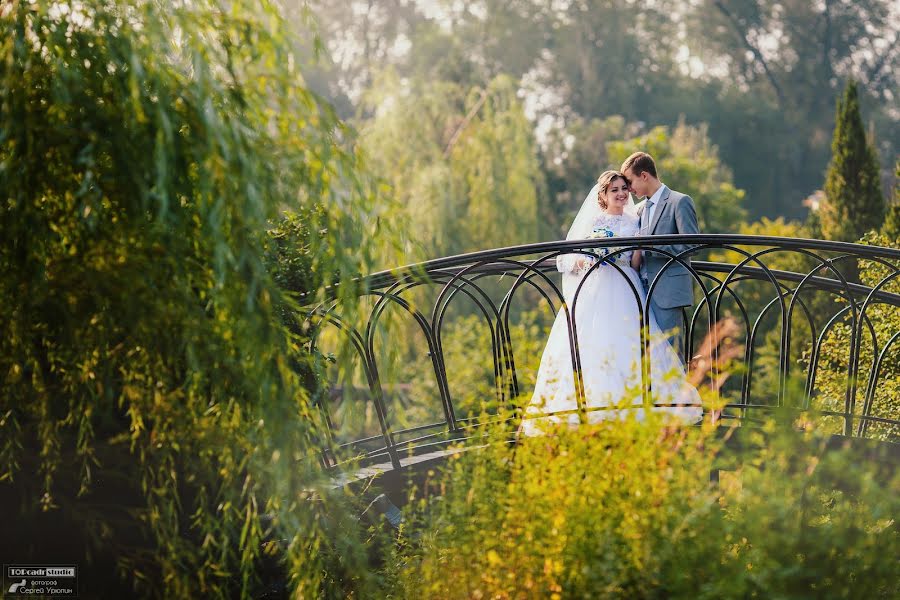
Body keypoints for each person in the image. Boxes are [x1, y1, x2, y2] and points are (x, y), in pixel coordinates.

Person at [520, 171, 702, 435]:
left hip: (626, 287)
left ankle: (641, 404)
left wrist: (633, 251)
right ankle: (589, 407)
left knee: (629, 340)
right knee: (591, 341)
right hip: (595, 286)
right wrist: (591, 256)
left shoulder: (635, 221)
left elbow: (635, 262)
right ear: (603, 195)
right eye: (614, 189)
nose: (620, 194)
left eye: (623, 189)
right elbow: (571, 258)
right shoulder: (594, 220)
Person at [621, 152, 700, 360]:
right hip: (640, 292)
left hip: (668, 292)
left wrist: (653, 246)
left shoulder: (679, 201)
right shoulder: (639, 210)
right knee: (647, 357)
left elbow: (692, 243)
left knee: (671, 355)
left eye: (630, 182)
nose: (629, 189)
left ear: (644, 175)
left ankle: (680, 394)